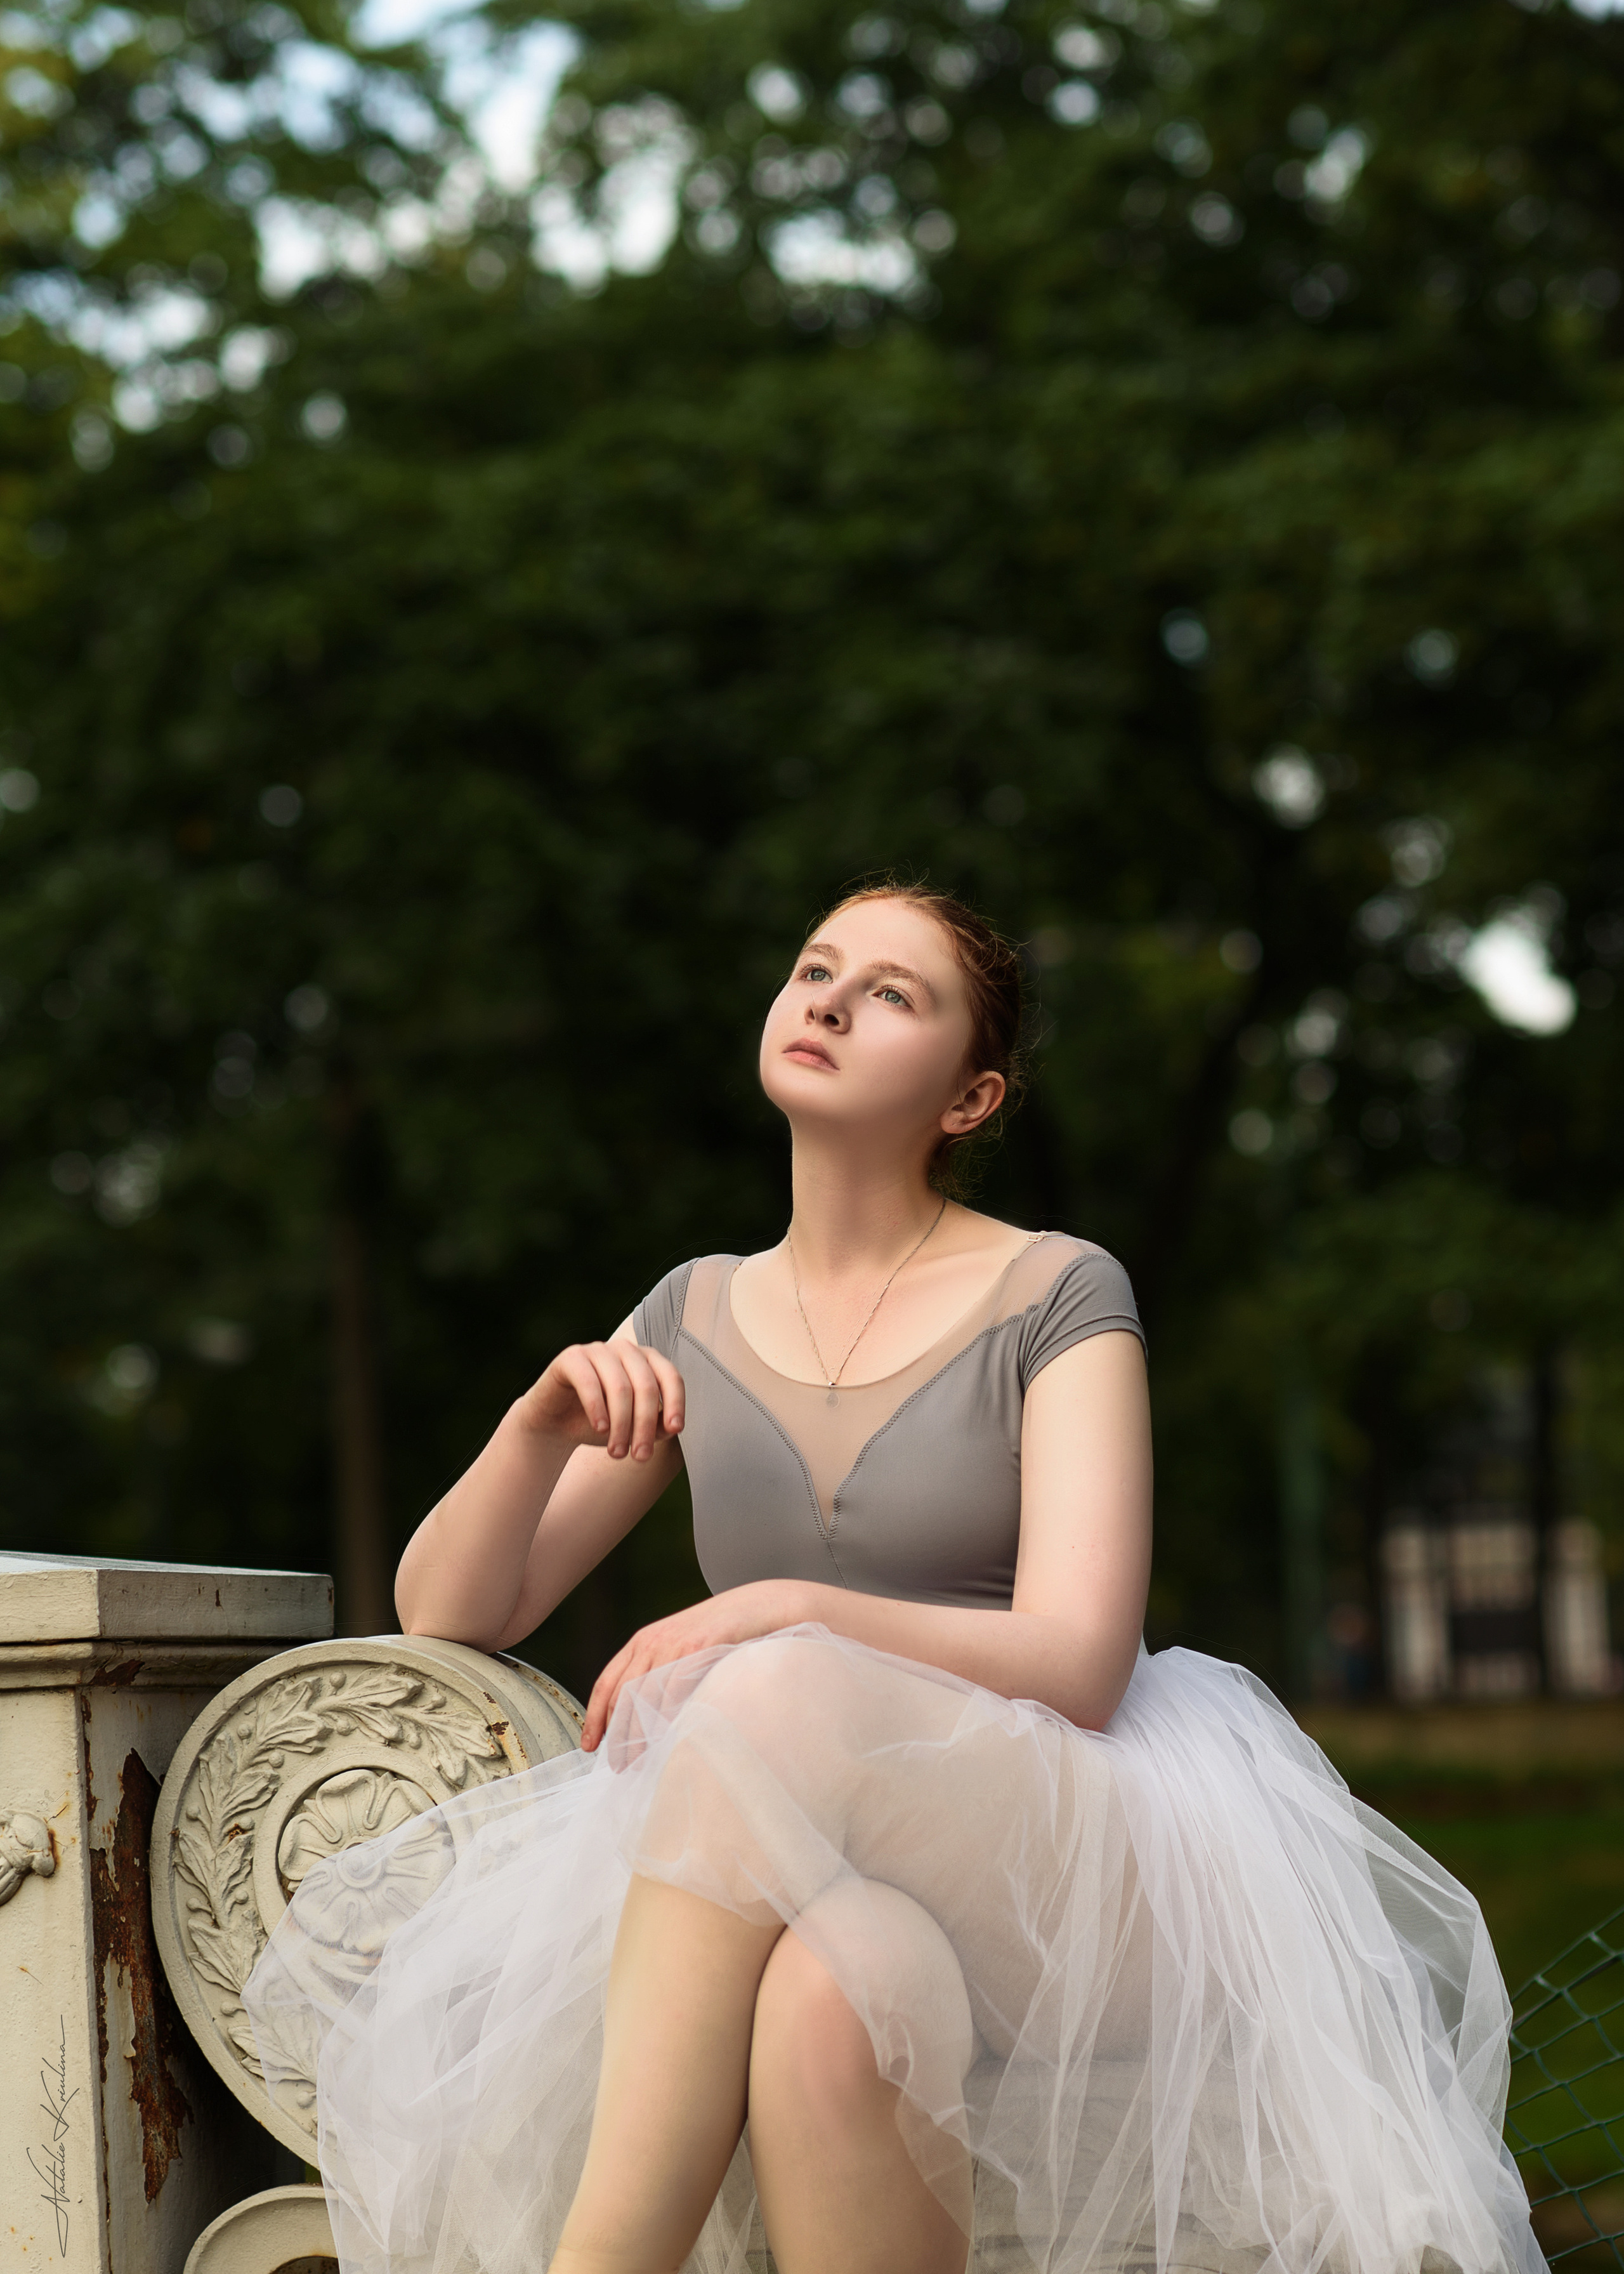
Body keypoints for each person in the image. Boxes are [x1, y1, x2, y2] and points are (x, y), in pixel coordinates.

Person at [245, 884, 1540, 2274]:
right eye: (814, 967)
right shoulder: (688, 1312)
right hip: (828, 1866)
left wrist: (780, 1605)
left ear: (968, 1098)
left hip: (1071, 1847)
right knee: (832, 1996)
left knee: (777, 1682)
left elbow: (1078, 1658)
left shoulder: (1059, 1292)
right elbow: (451, 1610)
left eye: (890, 993)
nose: (827, 999)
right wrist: (533, 1425)